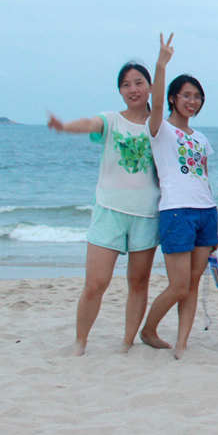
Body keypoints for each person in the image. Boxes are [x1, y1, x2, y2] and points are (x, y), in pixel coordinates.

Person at [49, 61, 159, 356]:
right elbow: (89, 123)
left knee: (138, 282)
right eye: (126, 84)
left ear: (150, 86)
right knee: (96, 283)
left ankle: (127, 343)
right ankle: (80, 342)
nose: (133, 89)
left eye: (138, 82)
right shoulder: (112, 120)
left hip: (147, 214)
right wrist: (64, 126)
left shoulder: (159, 125)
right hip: (109, 210)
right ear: (120, 91)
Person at [139, 33, 218, 360]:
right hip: (175, 211)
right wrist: (161, 64)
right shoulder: (160, 129)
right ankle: (149, 329)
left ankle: (183, 343)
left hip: (206, 212)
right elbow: (155, 104)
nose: (193, 101)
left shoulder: (200, 137)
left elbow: (205, 178)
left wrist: (215, 230)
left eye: (198, 96)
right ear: (174, 98)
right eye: (187, 95)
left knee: (195, 282)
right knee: (179, 285)